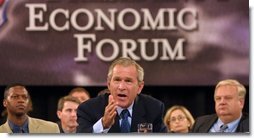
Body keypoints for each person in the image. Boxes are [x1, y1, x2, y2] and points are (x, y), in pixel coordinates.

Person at [77, 57, 167, 133]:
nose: (121, 87)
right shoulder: (88, 109)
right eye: (117, 80)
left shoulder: (154, 108)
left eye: (128, 81)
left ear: (139, 87)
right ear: (108, 84)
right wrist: (103, 124)